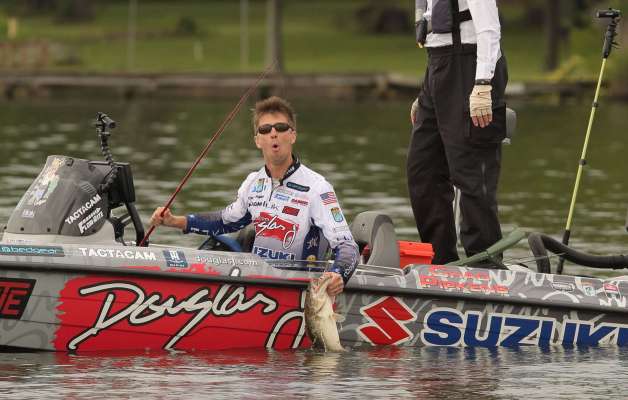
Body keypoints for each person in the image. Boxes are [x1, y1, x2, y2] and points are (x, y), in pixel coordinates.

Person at [150, 96, 359, 295]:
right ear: (258, 140)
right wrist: (174, 221)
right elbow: (224, 221)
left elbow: (347, 246)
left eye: (281, 127)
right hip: (256, 285)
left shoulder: (318, 188)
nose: (273, 133)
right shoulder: (253, 182)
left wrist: (338, 275)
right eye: (265, 129)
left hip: (299, 290)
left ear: (293, 136)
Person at [407, 0, 508, 265]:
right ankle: (439, 261)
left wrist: (483, 83)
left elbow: (488, 28)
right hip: (438, 68)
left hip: (470, 67)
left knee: (472, 174)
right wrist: (428, 88)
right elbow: (437, 35)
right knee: (423, 171)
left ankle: (485, 264)